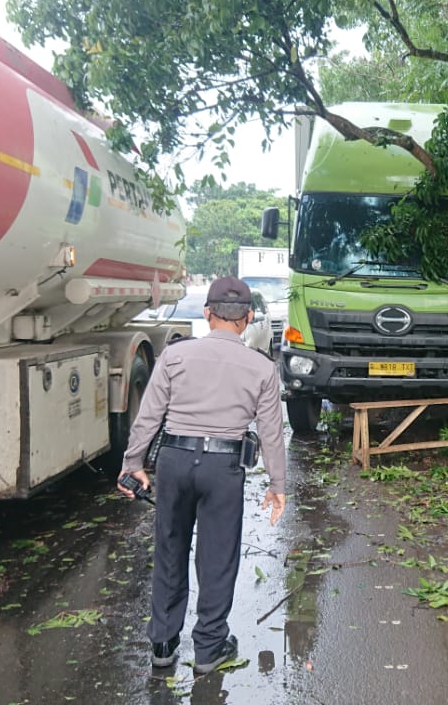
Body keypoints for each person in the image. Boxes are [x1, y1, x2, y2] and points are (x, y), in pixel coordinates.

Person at [118, 277, 288, 674]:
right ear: (246, 320)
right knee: (217, 557)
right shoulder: (262, 368)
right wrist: (278, 487)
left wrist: (132, 464)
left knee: (169, 549)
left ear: (207, 314)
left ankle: (163, 643)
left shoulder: (174, 357)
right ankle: (210, 648)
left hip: (175, 462)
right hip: (223, 468)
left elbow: (148, 418)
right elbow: (271, 433)